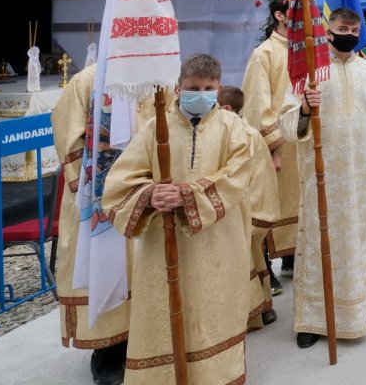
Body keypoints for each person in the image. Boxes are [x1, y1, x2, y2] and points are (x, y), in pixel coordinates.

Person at [103, 54, 260, 385]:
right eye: (192, 88)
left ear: (218, 89)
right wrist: (149, 194)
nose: (199, 94)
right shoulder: (154, 129)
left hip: (219, 241)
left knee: (213, 309)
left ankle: (217, 375)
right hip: (162, 242)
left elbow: (239, 173)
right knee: (163, 313)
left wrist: (187, 195)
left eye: (207, 88)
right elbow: (120, 182)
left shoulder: (235, 128)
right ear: (178, 87)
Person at [292, 8, 366, 347]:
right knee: (318, 240)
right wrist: (305, 110)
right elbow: (286, 120)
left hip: (361, 173)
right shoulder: (309, 71)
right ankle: (313, 320)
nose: (349, 33)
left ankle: (360, 304)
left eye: (355, 29)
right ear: (328, 30)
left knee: (357, 237)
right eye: (343, 28)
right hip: (321, 174)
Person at [50, 66, 149, 384]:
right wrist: (88, 178)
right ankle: (107, 352)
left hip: (145, 188)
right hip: (101, 193)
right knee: (107, 266)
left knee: (144, 269)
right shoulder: (88, 80)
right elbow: (68, 132)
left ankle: (145, 340)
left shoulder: (155, 75)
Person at [240, 0, 301, 275]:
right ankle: (264, 268)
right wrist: (272, 148)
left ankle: (294, 257)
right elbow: (255, 103)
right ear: (280, 15)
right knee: (268, 202)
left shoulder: (305, 50)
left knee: (301, 201)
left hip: (303, 139)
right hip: (279, 144)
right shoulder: (263, 54)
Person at [216, 85, 281, 329]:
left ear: (226, 108)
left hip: (244, 211)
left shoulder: (247, 135)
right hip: (231, 210)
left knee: (253, 259)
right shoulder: (221, 132)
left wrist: (250, 214)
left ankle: (260, 308)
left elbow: (260, 177)